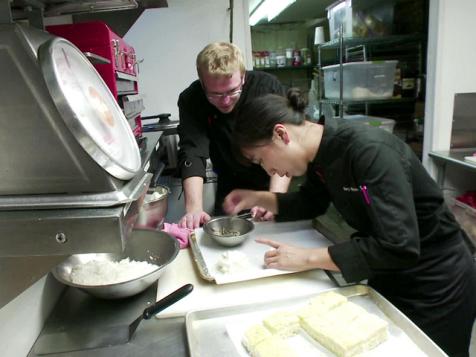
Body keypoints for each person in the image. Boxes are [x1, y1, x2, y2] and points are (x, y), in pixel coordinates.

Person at [223, 88, 476, 357]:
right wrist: (257, 198)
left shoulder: (368, 152)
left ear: (281, 134)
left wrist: (308, 258)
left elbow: (399, 246)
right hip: (390, 274)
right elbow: (311, 202)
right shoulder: (324, 154)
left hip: (437, 283)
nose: (268, 170)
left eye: (261, 159)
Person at [176, 42, 291, 229]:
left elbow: (284, 145)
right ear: (202, 83)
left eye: (232, 91)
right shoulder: (192, 99)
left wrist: (275, 196)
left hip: (271, 179)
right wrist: (194, 209)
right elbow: (192, 152)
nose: (225, 101)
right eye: (214, 94)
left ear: (243, 77)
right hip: (230, 186)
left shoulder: (266, 87)